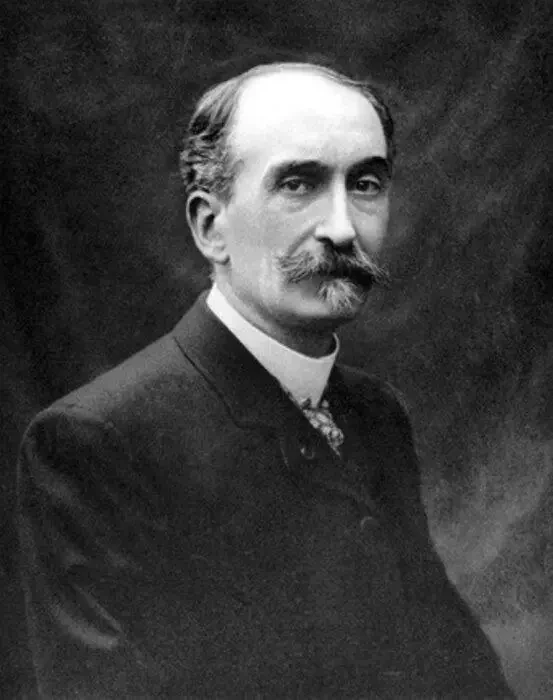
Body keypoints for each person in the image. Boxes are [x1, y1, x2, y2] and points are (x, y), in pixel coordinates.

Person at [17, 60, 513, 698]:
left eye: (365, 184)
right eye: (299, 184)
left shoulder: (374, 412)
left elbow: (454, 660)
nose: (343, 229)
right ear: (210, 226)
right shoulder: (97, 442)